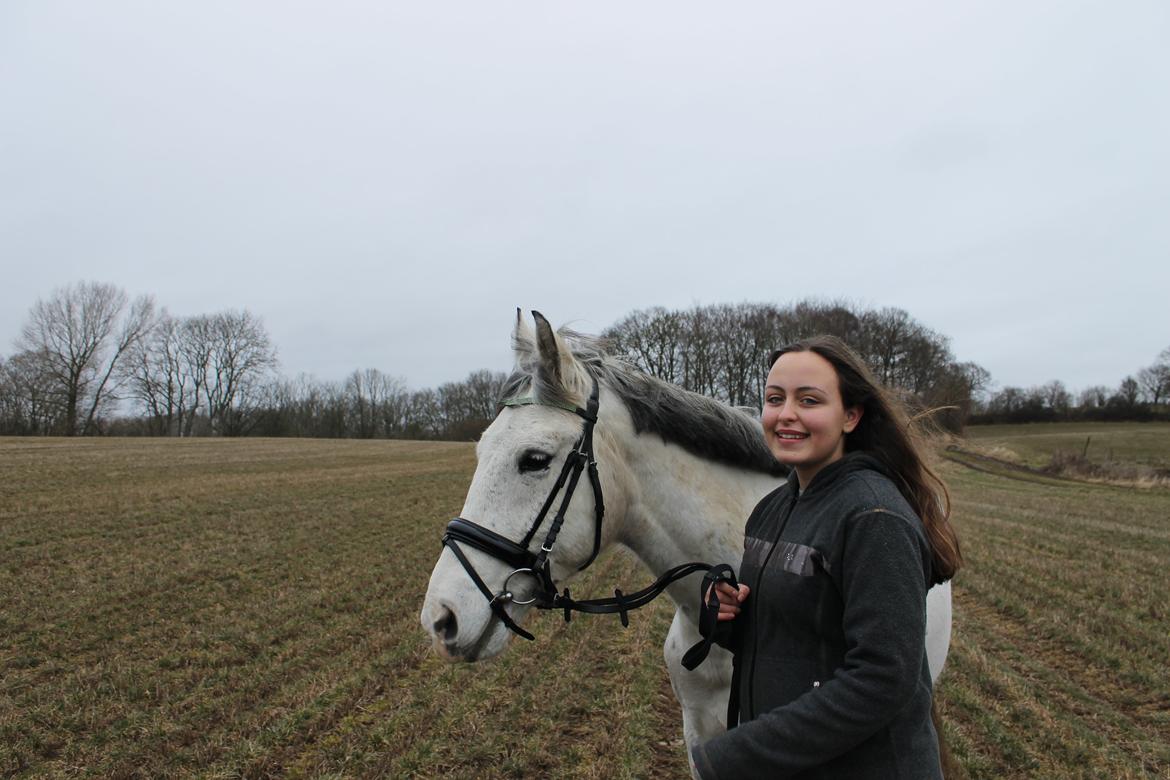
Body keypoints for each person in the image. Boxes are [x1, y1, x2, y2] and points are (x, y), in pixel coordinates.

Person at [691, 335, 962, 780]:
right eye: (774, 399)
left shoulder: (873, 515)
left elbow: (882, 679)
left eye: (809, 400)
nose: (786, 414)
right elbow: (788, 639)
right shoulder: (773, 508)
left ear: (851, 416)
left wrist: (740, 754)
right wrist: (723, 616)